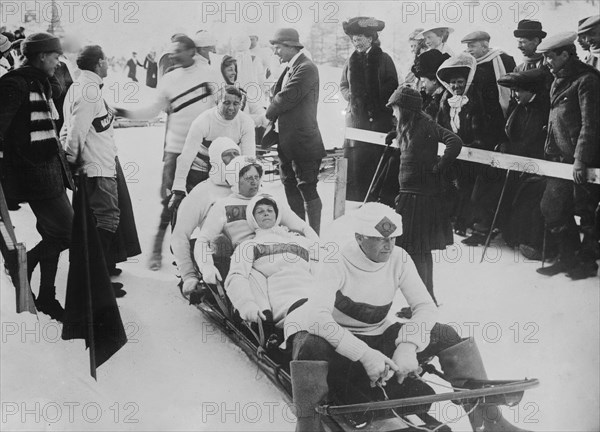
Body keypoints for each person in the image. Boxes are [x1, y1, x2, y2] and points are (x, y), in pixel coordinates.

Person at [288, 203, 526, 432]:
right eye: (380, 239)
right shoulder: (336, 260)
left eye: (392, 239)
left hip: (377, 334)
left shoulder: (399, 259)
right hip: (334, 339)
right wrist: (365, 355)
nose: (388, 246)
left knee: (445, 333)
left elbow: (425, 306)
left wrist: (407, 345)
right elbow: (317, 318)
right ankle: (308, 425)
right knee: (310, 345)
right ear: (359, 237)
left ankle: (490, 421)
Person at [117, 34, 219, 270]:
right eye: (172, 51)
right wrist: (123, 112)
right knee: (172, 202)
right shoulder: (169, 79)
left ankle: (208, 254)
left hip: (204, 150)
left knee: (209, 202)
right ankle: (173, 251)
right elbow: (153, 111)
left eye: (179, 51)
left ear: (192, 52)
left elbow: (220, 108)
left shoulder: (210, 75)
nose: (173, 55)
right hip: (175, 150)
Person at [0, 32, 73, 320]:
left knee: (52, 233)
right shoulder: (15, 84)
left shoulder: (39, 80)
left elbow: (55, 91)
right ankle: (24, 263)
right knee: (69, 232)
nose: (59, 61)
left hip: (52, 174)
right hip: (35, 178)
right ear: (42, 56)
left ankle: (47, 296)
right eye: (55, 56)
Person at [61, 44, 128, 298]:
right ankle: (96, 283)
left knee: (95, 223)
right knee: (108, 219)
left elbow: (67, 129)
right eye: (106, 60)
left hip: (95, 166)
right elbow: (75, 132)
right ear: (99, 63)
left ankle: (94, 278)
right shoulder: (89, 91)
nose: (109, 64)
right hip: (97, 169)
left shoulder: (79, 87)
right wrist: (73, 161)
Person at [387, 87, 462, 306]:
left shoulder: (426, 124)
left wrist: (440, 166)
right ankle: (427, 300)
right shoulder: (410, 126)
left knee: (415, 252)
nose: (393, 114)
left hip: (420, 199)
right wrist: (395, 135)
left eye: (395, 109)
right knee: (419, 251)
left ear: (405, 108)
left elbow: (454, 141)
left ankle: (423, 303)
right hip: (410, 196)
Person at [194, 156, 318, 285]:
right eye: (248, 178)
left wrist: (319, 251)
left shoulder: (270, 200)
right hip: (249, 263)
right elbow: (203, 240)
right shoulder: (222, 206)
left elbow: (303, 227)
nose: (254, 182)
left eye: (256, 177)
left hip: (281, 254)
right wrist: (206, 267)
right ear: (235, 180)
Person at [536, 32, 600, 280]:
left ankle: (586, 262)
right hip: (559, 158)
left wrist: (581, 159)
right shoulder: (559, 78)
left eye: (550, 57)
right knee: (551, 207)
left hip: (582, 160)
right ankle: (567, 256)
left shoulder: (587, 80)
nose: (546, 62)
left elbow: (590, 125)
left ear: (566, 54)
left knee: (586, 212)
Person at [225, 194, 318, 337]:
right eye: (260, 211)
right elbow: (236, 276)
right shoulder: (249, 245)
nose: (266, 213)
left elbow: (326, 266)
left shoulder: (301, 241)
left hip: (313, 293)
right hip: (282, 298)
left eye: (270, 210)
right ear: (253, 218)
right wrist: (247, 306)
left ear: (277, 214)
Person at [266, 28, 326, 234]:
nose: (276, 53)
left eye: (278, 48)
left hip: (304, 143)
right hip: (287, 142)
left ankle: (314, 236)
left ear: (291, 46)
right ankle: (301, 234)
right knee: (290, 186)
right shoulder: (292, 67)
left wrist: (267, 111)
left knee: (307, 188)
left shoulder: (307, 67)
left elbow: (286, 98)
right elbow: (279, 96)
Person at [168, 85, 255, 214]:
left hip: (226, 169)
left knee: (226, 211)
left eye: (236, 103)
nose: (231, 108)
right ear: (217, 102)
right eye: (226, 102)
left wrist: (252, 184)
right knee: (194, 209)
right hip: (200, 169)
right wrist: (178, 189)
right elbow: (187, 156)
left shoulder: (246, 122)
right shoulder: (202, 121)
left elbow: (249, 159)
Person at [495, 69, 554, 261]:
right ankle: (511, 236)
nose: (515, 95)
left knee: (530, 196)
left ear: (530, 90)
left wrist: (513, 148)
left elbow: (536, 142)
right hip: (519, 164)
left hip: (541, 167)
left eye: (519, 91)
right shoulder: (519, 106)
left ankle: (534, 243)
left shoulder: (543, 109)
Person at [339, 17, 399, 203]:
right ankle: (357, 199)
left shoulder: (384, 59)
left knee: (376, 156)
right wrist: (352, 97)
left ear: (371, 38)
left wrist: (375, 100)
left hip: (379, 119)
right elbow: (343, 85)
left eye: (359, 38)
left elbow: (392, 85)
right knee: (356, 158)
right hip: (356, 119)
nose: (355, 42)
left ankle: (376, 198)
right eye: (354, 39)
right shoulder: (351, 61)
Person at [172, 137, 239, 296]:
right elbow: (179, 235)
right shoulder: (203, 192)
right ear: (216, 160)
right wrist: (188, 275)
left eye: (236, 154)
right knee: (220, 242)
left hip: (249, 247)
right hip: (220, 252)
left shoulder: (248, 185)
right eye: (227, 155)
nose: (234, 159)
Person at [461, 31, 516, 119]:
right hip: (477, 115)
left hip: (499, 112)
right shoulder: (468, 64)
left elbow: (513, 85)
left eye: (472, 46)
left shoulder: (504, 59)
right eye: (468, 47)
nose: (468, 50)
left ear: (484, 47)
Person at [411, 49, 450, 117]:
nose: (422, 86)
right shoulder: (430, 98)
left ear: (434, 80)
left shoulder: (444, 101)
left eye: (423, 81)